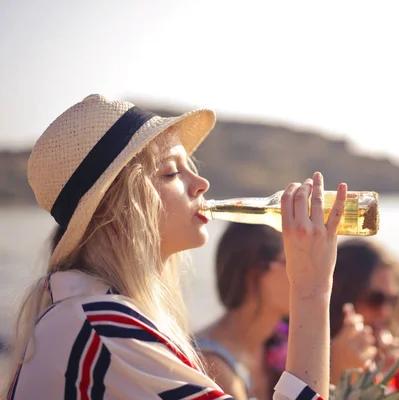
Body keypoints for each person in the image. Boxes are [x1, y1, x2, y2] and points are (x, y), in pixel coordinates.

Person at [2, 94, 348, 399]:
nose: (201, 183)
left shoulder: (79, 312)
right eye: (170, 173)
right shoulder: (101, 327)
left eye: (189, 168)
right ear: (119, 209)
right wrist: (311, 291)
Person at [193, 223, 290, 400]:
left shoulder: (277, 342)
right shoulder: (213, 366)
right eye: (292, 261)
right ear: (253, 274)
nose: (306, 271)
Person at [329, 238, 399, 388]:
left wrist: (390, 380)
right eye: (375, 299)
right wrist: (337, 375)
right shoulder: (296, 356)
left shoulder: (394, 353)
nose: (385, 312)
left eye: (393, 300)